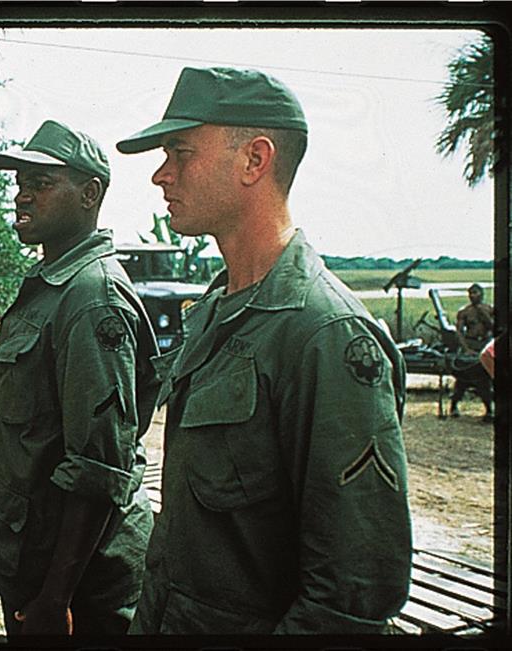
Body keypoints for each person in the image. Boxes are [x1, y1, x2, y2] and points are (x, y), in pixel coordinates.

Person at [116, 67, 412, 634]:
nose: (160, 174)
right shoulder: (215, 310)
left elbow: (350, 597)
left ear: (255, 159)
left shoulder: (325, 333)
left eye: (180, 153)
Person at [0, 120, 160, 636]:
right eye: (20, 183)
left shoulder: (92, 296)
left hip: (83, 588)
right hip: (38, 564)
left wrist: (57, 598)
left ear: (89, 194)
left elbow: (99, 466)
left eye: (41, 183)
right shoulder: (54, 286)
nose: (22, 195)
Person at [450, 283, 494, 420]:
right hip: (470, 344)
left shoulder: (489, 309)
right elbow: (459, 333)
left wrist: (483, 313)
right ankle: (454, 405)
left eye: (475, 293)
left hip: (485, 344)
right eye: (470, 293)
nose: (472, 296)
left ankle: (489, 410)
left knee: (484, 379)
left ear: (482, 294)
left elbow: (493, 327)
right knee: (463, 377)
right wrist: (466, 349)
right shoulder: (464, 312)